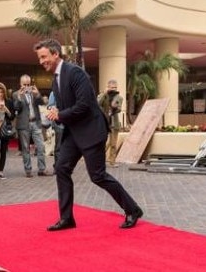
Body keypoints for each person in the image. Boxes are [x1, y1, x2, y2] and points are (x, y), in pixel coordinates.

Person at [36, 39, 143, 231]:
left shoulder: (75, 73)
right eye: (39, 58)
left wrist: (60, 114)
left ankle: (132, 209)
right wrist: (56, 114)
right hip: (74, 133)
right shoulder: (56, 80)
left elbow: (84, 105)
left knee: (97, 176)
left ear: (55, 54)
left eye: (44, 56)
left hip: (92, 131)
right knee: (61, 168)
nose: (41, 61)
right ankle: (67, 218)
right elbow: (67, 109)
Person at [13, 74, 50, 177]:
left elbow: (42, 102)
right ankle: (28, 170)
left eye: (28, 84)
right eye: (24, 84)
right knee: (25, 148)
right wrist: (20, 97)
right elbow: (16, 108)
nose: (26, 86)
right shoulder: (16, 94)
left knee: (41, 146)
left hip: (36, 123)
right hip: (24, 124)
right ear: (20, 84)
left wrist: (37, 94)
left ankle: (42, 169)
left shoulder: (34, 93)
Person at [97, 79, 124, 167]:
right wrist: (104, 93)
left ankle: (112, 161)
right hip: (103, 122)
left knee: (113, 144)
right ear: (108, 87)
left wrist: (115, 108)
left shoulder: (119, 97)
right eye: (112, 87)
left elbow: (119, 109)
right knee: (101, 143)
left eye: (115, 87)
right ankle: (99, 161)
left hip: (113, 123)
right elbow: (97, 103)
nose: (114, 89)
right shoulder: (102, 95)